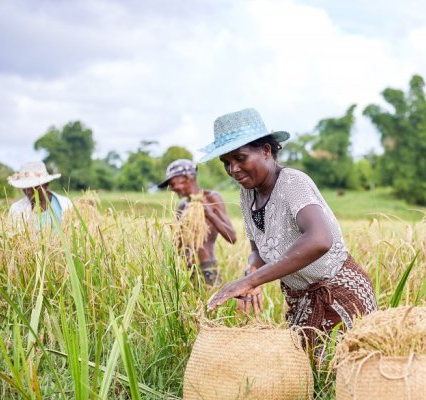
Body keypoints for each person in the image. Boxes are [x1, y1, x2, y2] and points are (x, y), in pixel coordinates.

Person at [203, 108, 377, 341]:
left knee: (341, 371)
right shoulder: (247, 194)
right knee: (306, 374)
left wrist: (250, 280)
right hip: (300, 302)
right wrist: (251, 272)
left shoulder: (292, 183)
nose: (233, 169)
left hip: (338, 296)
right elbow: (258, 251)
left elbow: (320, 239)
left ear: (266, 150)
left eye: (240, 158)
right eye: (226, 162)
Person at [158, 159, 237, 285]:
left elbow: (232, 237)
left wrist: (209, 213)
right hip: (187, 270)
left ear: (187, 178)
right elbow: (177, 244)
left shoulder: (211, 198)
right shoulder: (183, 206)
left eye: (173, 183)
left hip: (207, 267)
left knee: (213, 302)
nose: (172, 189)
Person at [7, 161, 73, 229]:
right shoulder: (16, 209)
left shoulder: (65, 204)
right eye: (24, 188)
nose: (28, 192)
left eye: (33, 187)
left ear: (46, 185)